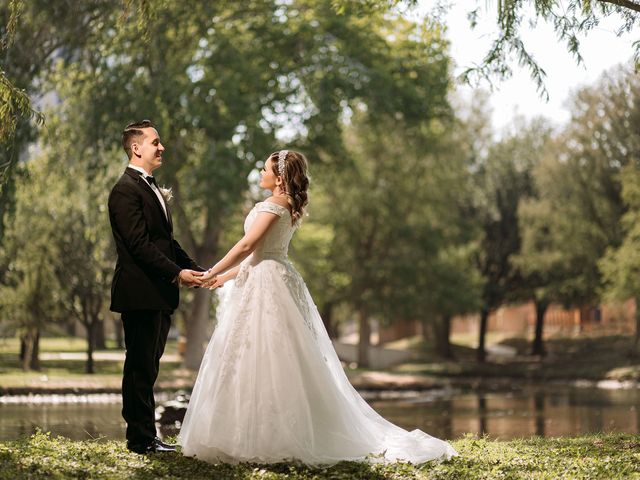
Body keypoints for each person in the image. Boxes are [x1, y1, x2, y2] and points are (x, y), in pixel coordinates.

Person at [178, 150, 457, 464]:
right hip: (260, 276)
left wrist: (211, 271)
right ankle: (240, 433)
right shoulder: (279, 204)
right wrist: (224, 278)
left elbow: (248, 246)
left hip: (268, 284)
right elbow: (258, 256)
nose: (260, 173)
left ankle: (274, 436)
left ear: (279, 178)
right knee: (251, 354)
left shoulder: (278, 204)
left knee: (274, 356)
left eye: (265, 169)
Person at [108, 120, 205, 454]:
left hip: (158, 294)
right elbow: (138, 245)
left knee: (149, 367)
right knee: (139, 368)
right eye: (155, 142)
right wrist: (178, 274)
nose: (161, 147)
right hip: (139, 293)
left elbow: (165, 242)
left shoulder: (151, 187)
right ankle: (140, 439)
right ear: (137, 148)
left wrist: (196, 270)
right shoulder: (125, 189)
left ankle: (146, 436)